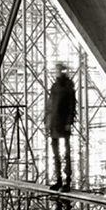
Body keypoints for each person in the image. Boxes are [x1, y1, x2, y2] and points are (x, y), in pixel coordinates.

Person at [45, 61, 76, 192]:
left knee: (66, 152)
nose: (57, 72)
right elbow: (50, 105)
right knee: (55, 153)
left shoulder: (68, 86)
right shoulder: (55, 86)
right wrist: (47, 122)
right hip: (54, 123)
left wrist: (69, 122)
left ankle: (67, 181)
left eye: (59, 70)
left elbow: (71, 105)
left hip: (63, 123)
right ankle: (58, 179)